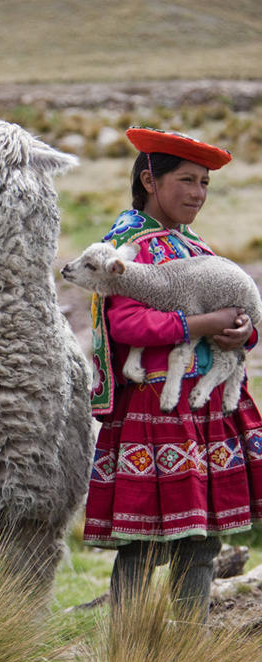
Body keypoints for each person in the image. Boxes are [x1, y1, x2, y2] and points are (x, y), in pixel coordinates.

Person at [83, 126, 262, 620]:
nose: (198, 193)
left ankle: (190, 653)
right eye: (186, 180)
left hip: (205, 408)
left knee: (201, 538)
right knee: (143, 541)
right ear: (149, 180)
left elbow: (238, 313)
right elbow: (125, 323)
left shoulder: (194, 247)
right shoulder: (124, 247)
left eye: (205, 183)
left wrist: (242, 332)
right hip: (156, 408)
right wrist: (204, 323)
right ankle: (130, 655)